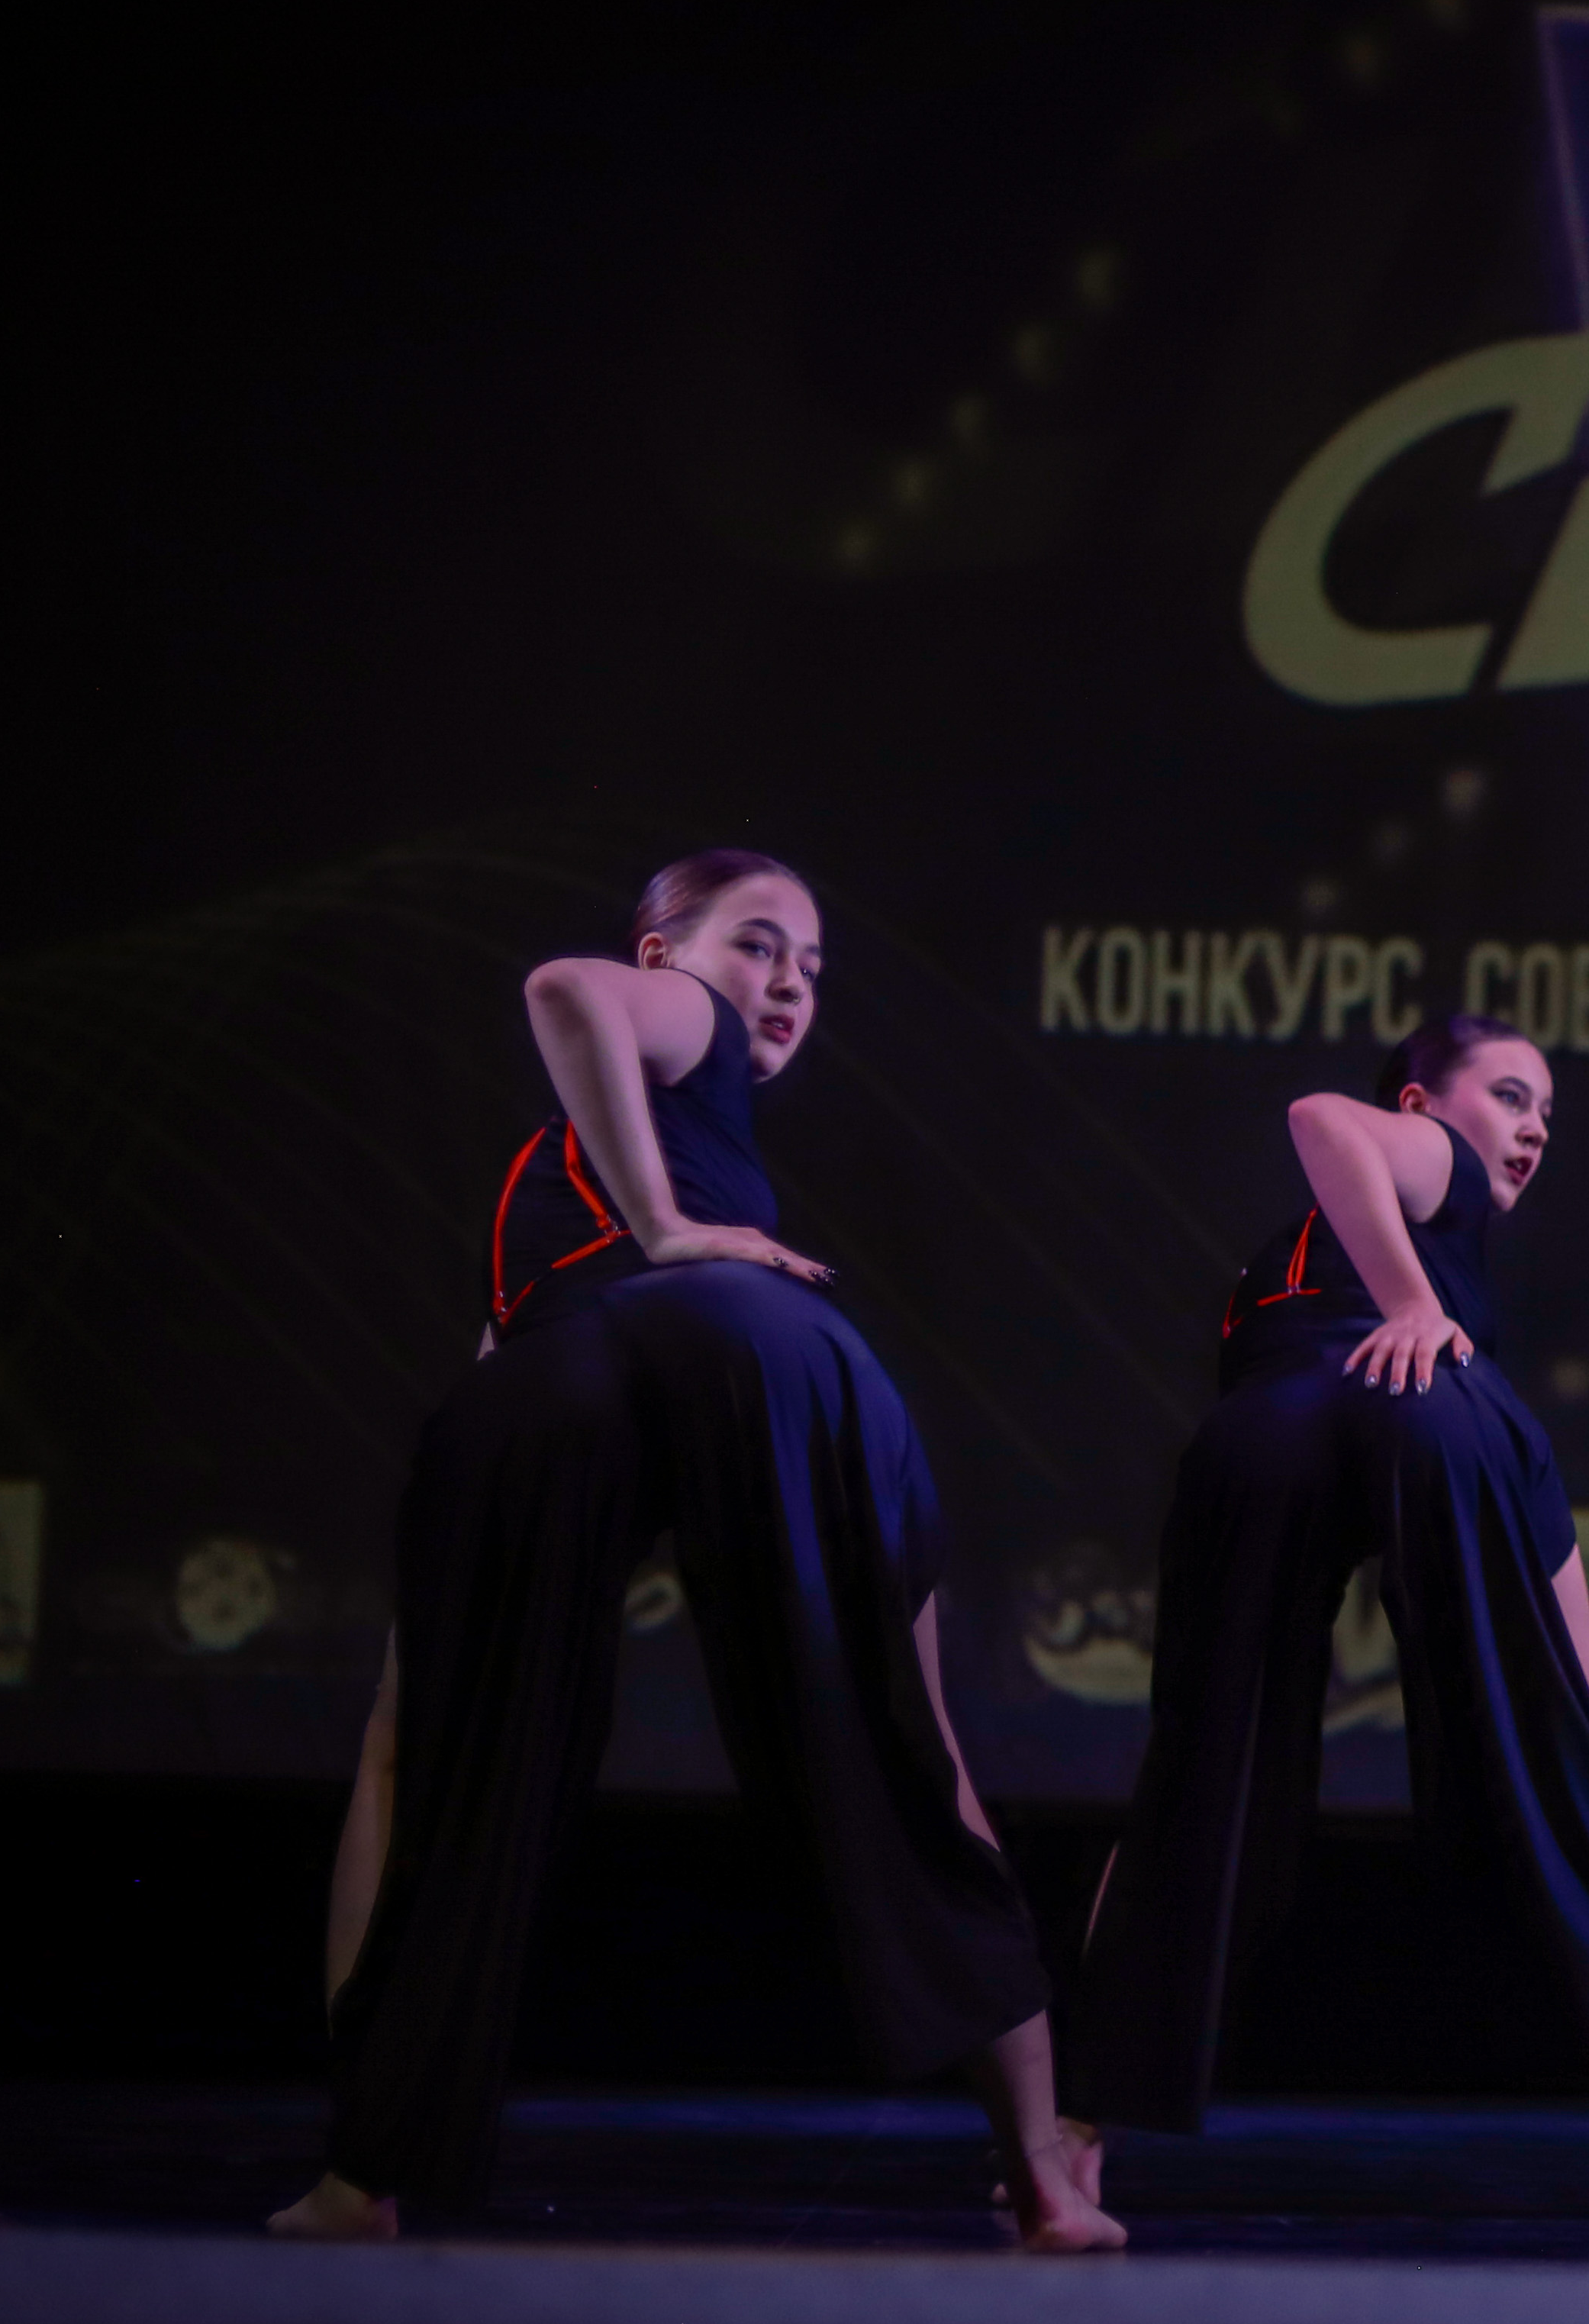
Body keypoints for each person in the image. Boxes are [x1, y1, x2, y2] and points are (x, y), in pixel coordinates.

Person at [274, 849, 1118, 2250]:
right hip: (727, 1341)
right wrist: (669, 1227)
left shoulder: (600, 1150)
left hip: (558, 1369)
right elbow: (567, 987)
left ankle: (359, 2179)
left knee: (420, 1755)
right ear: (663, 952)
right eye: (757, 943)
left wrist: (650, 1234)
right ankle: (1042, 2179)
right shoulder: (682, 1022)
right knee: (903, 1742)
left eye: (811, 968)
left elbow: (529, 1324)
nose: (786, 984)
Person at [1060, 1016, 1589, 2223]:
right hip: (1426, 1412)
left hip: (1255, 1442)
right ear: (1422, 1101)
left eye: (1545, 1112)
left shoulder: (1297, 1256)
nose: (1532, 1129)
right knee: (1577, 1791)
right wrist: (1412, 1304)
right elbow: (1320, 1118)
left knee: (1198, 1795)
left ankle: (1067, 2147)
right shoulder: (1430, 1159)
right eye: (1509, 1094)